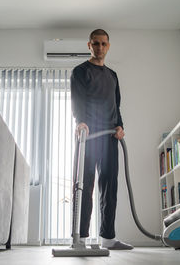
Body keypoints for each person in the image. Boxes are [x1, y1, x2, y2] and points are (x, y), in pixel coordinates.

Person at [70, 29, 133, 250]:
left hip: (109, 139)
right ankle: (81, 239)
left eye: (103, 44)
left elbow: (117, 106)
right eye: (95, 43)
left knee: (109, 187)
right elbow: (78, 99)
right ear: (89, 45)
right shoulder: (80, 71)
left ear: (108, 46)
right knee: (84, 187)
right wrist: (80, 121)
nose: (99, 47)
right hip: (88, 136)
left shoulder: (112, 75)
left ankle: (108, 238)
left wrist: (120, 126)